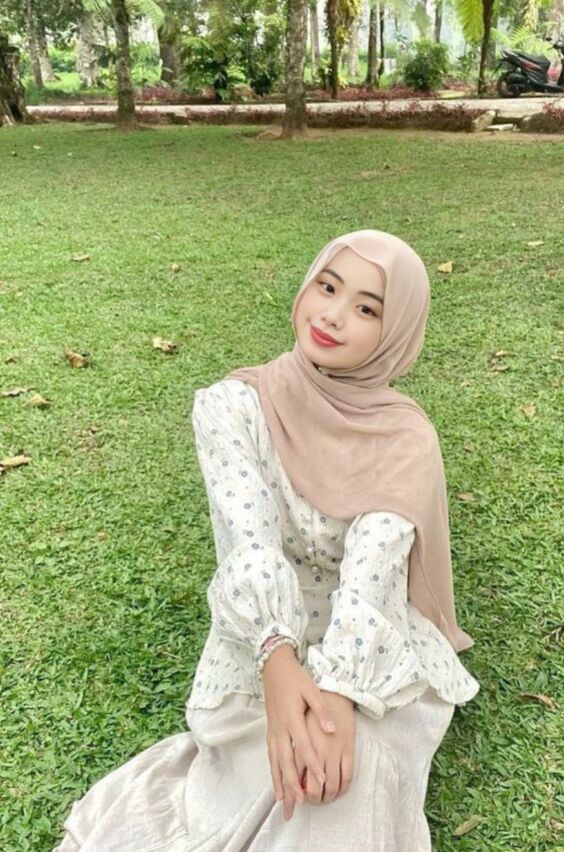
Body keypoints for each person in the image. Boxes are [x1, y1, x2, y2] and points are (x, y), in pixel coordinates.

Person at [53, 229, 479, 852]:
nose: (333, 315)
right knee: (271, 778)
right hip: (258, 645)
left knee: (341, 783)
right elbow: (248, 541)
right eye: (327, 287)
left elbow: (372, 575)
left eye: (367, 308)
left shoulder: (403, 438)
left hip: (369, 650)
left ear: (395, 333)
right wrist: (278, 665)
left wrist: (338, 695)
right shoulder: (232, 407)